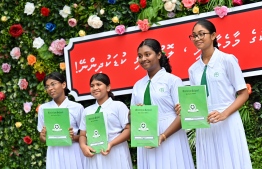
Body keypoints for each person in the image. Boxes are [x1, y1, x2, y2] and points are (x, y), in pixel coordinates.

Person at [176, 19, 252, 169]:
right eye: (194, 36)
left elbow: (243, 94)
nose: (197, 38)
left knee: (231, 162)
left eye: (201, 34)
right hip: (205, 124)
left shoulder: (227, 60)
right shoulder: (193, 69)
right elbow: (196, 101)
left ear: (213, 35)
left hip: (227, 122)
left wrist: (224, 114)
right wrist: (184, 108)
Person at [131, 38, 195, 169]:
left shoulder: (172, 81)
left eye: (147, 54)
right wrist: (135, 113)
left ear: (159, 55)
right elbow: (131, 117)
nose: (143, 59)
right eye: (140, 56)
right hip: (146, 136)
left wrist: (163, 136)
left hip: (170, 135)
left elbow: (183, 114)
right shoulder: (138, 85)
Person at [79, 73, 132, 169]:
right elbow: (82, 134)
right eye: (92, 85)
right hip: (95, 154)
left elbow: (128, 130)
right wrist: (83, 146)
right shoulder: (87, 110)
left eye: (99, 84)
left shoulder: (118, 106)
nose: (95, 88)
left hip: (116, 152)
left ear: (108, 87)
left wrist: (111, 144)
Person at [37, 72, 84, 169]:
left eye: (53, 84)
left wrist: (73, 137)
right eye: (47, 86)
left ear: (63, 84)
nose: (50, 88)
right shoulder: (43, 108)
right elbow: (42, 138)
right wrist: (42, 136)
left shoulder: (77, 107)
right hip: (54, 153)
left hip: (73, 152)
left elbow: (86, 136)